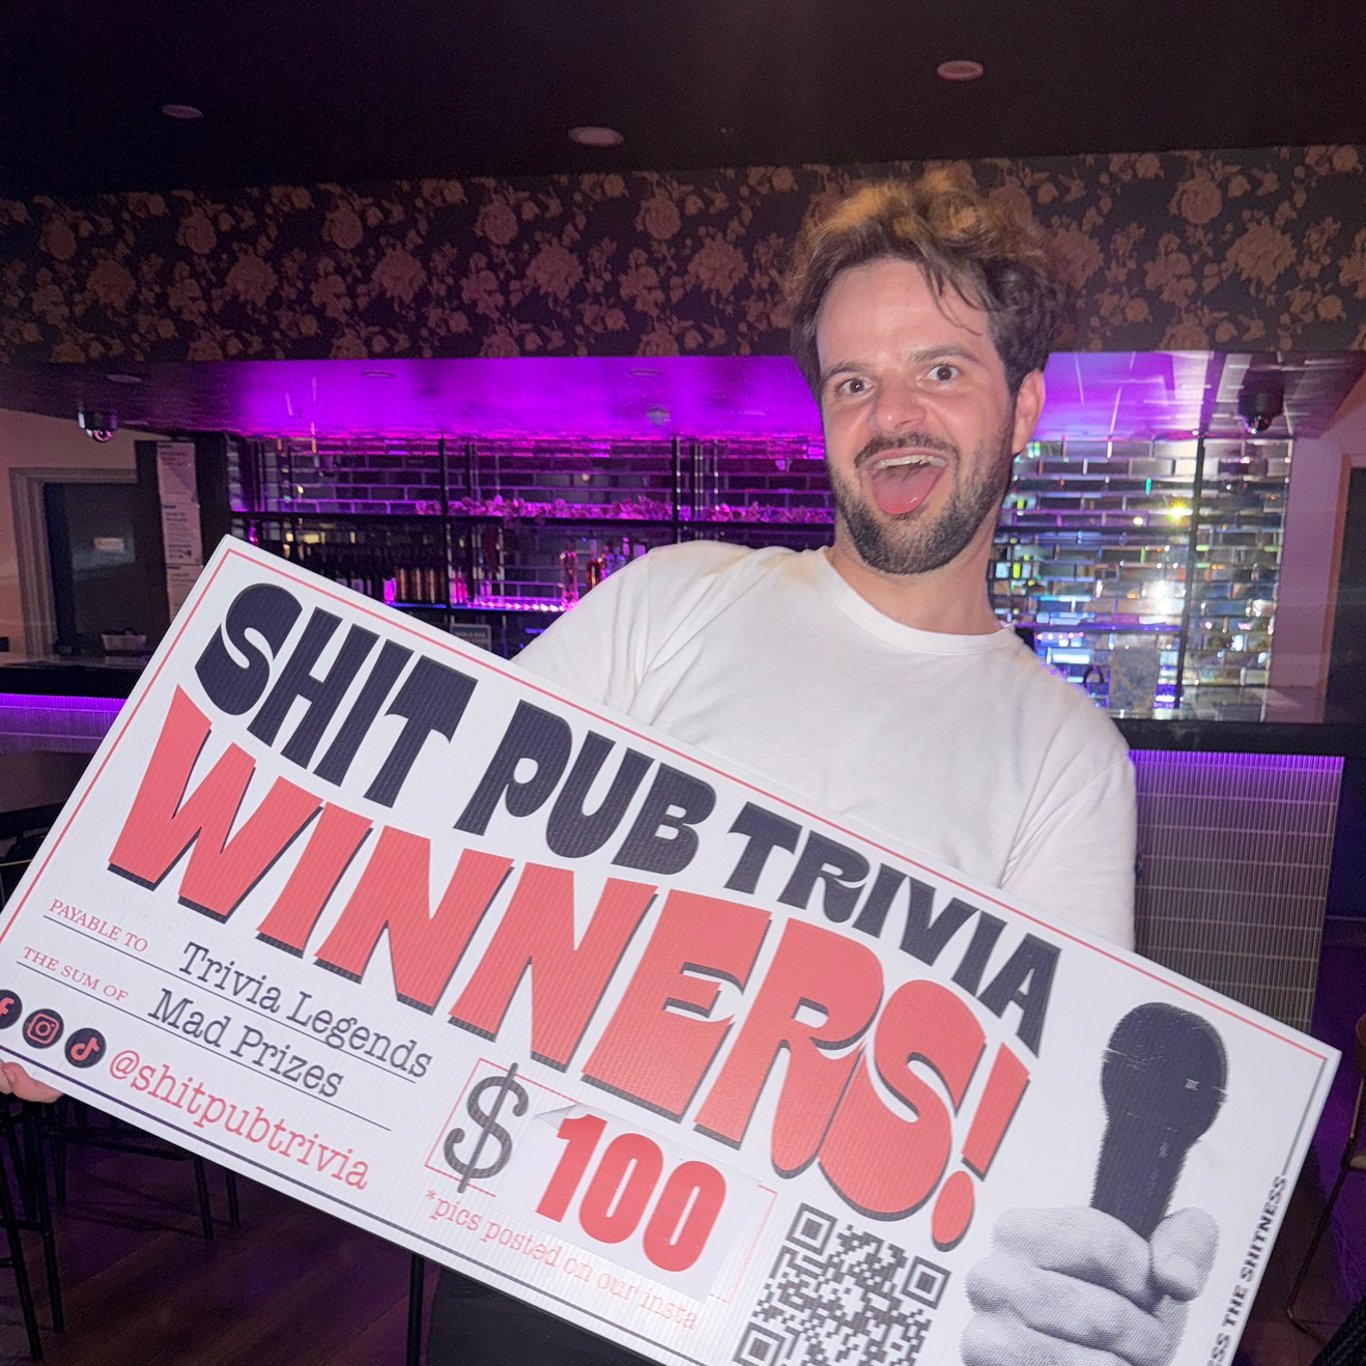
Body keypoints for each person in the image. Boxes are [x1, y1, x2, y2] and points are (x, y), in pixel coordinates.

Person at [428, 172, 1217, 1364]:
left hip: (808, 1313)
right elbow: (421, 824)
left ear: (1024, 406)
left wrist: (1082, 1291)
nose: (891, 415)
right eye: (854, 381)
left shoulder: (1066, 756)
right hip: (538, 1254)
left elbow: (1045, 1107)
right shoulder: (669, 601)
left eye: (940, 369)